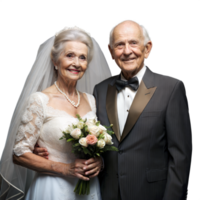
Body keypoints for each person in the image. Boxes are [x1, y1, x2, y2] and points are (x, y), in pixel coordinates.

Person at [34, 19, 192, 200]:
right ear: (110, 52)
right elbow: (94, 143)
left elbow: (181, 158)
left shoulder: (172, 88)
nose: (126, 51)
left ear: (148, 48)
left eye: (133, 43)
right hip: (106, 193)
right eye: (119, 45)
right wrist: (46, 147)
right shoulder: (100, 91)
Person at [0, 26, 113, 200]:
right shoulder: (40, 100)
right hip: (52, 188)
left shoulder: (92, 100)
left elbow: (102, 148)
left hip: (89, 188)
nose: (76, 63)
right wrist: (64, 168)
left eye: (82, 57)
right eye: (70, 55)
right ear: (55, 61)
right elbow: (19, 154)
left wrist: (100, 162)